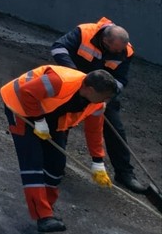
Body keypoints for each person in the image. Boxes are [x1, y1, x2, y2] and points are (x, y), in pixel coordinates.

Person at [0, 65, 118, 234]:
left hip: (51, 116)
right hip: (19, 106)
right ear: (90, 90)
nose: (106, 101)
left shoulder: (96, 104)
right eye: (104, 97)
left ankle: (47, 209)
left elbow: (94, 131)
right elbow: (26, 92)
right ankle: (44, 216)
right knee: (32, 162)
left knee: (56, 164)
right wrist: (39, 121)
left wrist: (98, 161)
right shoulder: (59, 81)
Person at [50, 17, 146, 192]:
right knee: (63, 122)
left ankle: (125, 173)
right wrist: (76, 76)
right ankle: (55, 163)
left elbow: (121, 80)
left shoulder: (126, 52)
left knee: (115, 129)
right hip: (75, 85)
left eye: (119, 51)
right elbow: (58, 48)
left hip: (102, 92)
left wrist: (106, 95)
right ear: (104, 40)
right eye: (113, 50)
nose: (116, 54)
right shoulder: (84, 32)